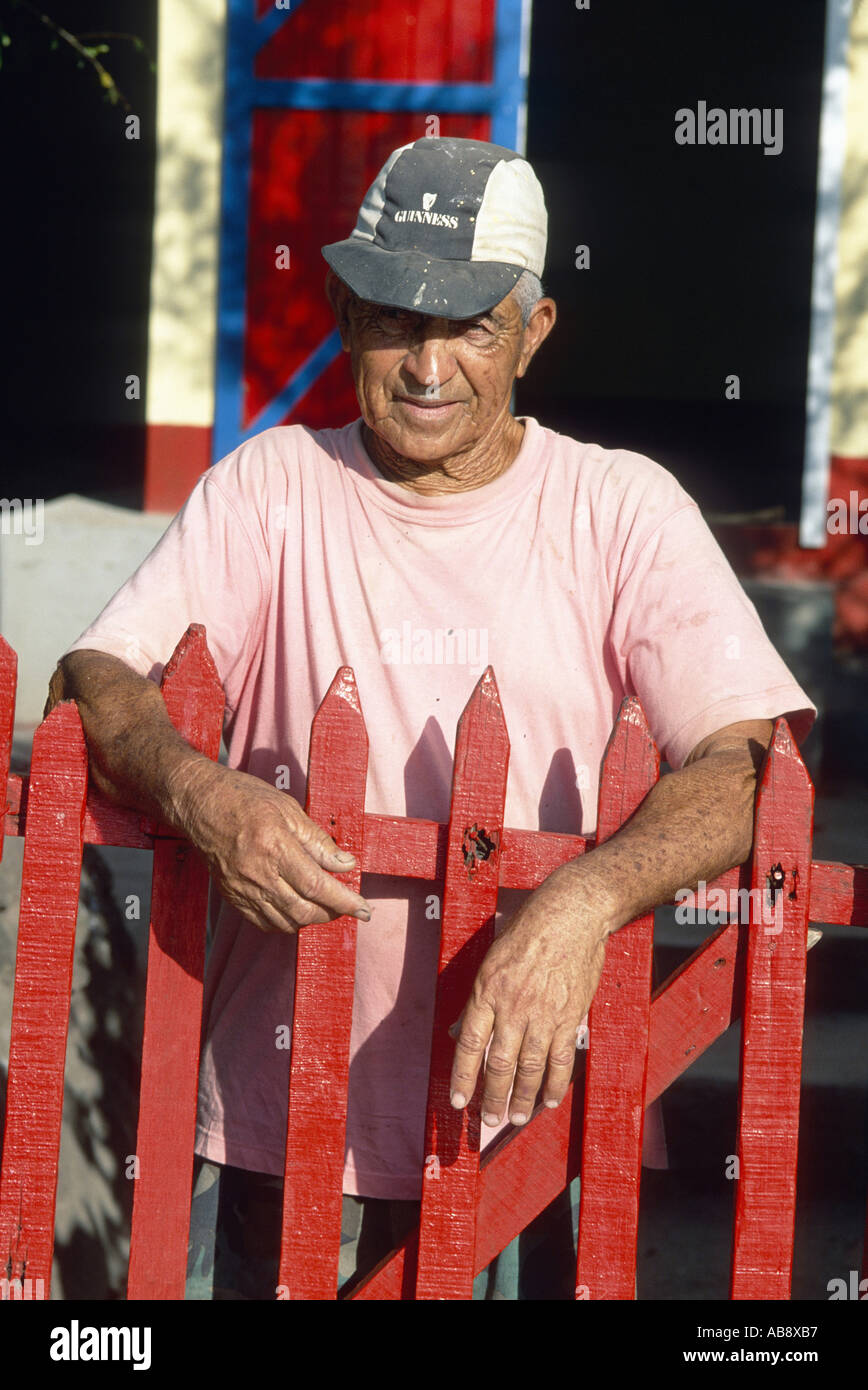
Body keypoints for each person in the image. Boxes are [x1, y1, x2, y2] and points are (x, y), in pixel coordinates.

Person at [49, 136, 816, 1299]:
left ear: (536, 329)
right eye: (398, 317)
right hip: (281, 1111)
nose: (426, 363)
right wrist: (203, 793)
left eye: (471, 325)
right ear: (348, 314)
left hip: (534, 1114)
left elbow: (754, 763)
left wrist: (584, 899)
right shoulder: (271, 490)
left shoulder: (619, 508)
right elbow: (94, 677)